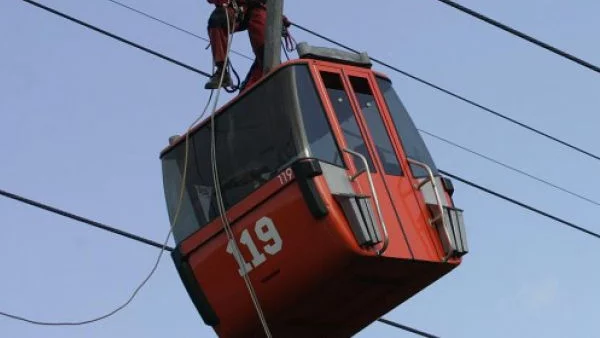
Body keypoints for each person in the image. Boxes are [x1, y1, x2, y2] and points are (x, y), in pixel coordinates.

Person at [205, 0, 290, 91]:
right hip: (236, 8)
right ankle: (222, 72)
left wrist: (278, 18)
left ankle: (276, 81)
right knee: (217, 19)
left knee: (265, 51)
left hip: (257, 7)